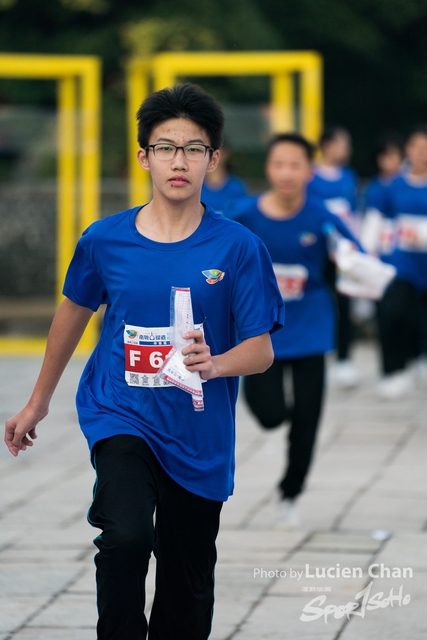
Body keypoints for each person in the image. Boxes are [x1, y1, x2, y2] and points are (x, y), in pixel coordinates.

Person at [4, 83, 284, 640]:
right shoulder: (105, 240)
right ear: (144, 157)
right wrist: (37, 403)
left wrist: (215, 362)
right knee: (125, 537)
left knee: (186, 586)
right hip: (121, 413)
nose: (179, 161)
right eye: (166, 147)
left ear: (213, 158)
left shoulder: (238, 248)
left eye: (194, 148)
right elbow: (72, 315)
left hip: (199, 435)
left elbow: (261, 350)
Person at [224, 132, 361, 527]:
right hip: (260, 336)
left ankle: (290, 492)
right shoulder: (243, 216)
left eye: (295, 165)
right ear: (268, 168)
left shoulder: (322, 218)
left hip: (311, 331)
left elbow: (354, 257)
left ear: (309, 170)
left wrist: (355, 264)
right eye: (279, 164)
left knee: (307, 419)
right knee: (271, 415)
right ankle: (269, 414)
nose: (286, 173)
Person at [307, 125, 360, 388]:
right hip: (318, 251)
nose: (346, 149)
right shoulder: (311, 177)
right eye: (342, 143)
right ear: (327, 145)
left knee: (345, 304)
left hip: (343, 253)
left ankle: (344, 359)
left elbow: (353, 214)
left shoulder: (349, 177)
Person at [377, 126, 427, 398]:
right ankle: (393, 370)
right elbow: (378, 219)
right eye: (416, 147)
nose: (421, 153)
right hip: (401, 263)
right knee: (397, 314)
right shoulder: (394, 184)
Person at [201, 141, 248, 213]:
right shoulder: (196, 186)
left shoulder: (236, 187)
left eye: (217, 151)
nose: (213, 156)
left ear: (226, 153)